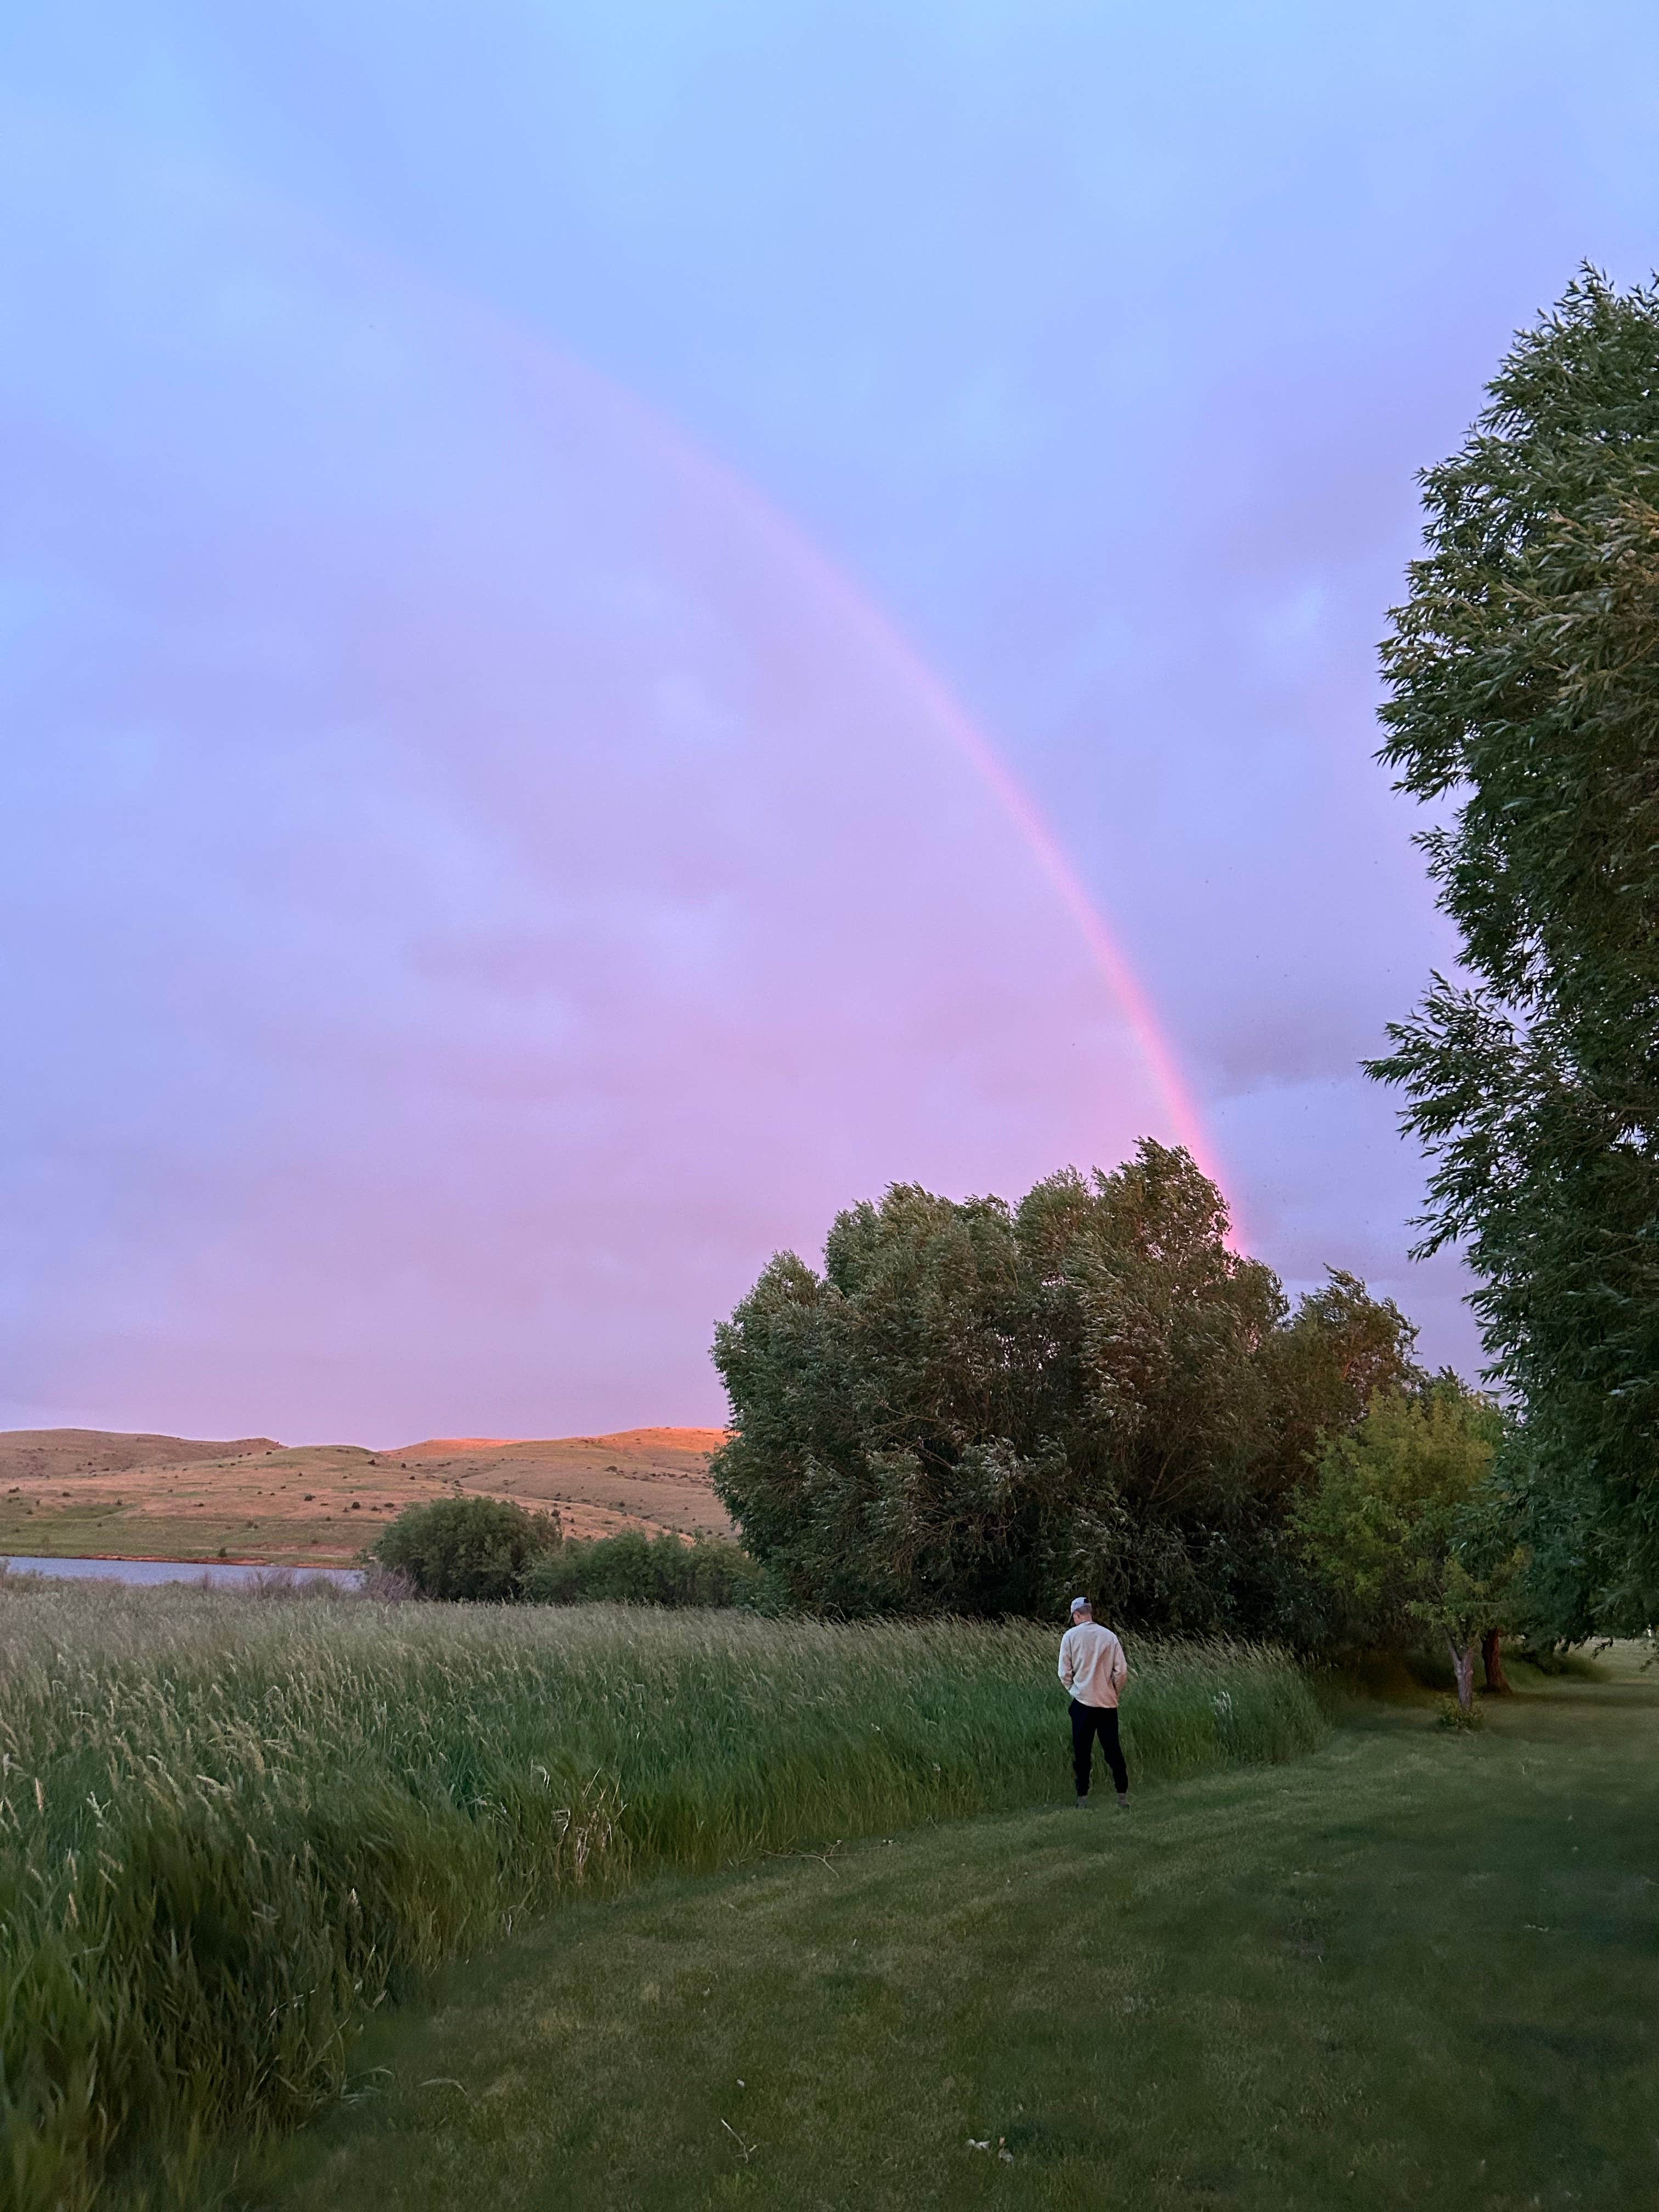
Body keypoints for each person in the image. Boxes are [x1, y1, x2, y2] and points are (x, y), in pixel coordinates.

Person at [1058, 1595, 1128, 1807]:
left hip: (1083, 1703)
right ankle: (1122, 1796)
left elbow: (1064, 1672)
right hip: (1107, 1703)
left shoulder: (1070, 1637)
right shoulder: (1109, 1637)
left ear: (1077, 1615)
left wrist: (1074, 1690)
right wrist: (1114, 1692)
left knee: (1082, 1752)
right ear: (1091, 1613)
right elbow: (1121, 1671)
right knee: (1113, 1750)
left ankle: (1082, 1798)